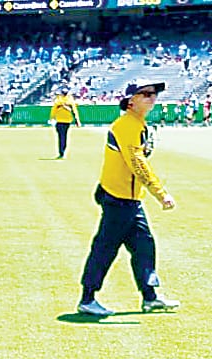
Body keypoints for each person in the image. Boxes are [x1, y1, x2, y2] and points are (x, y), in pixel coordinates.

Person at [75, 82, 178, 319]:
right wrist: (160, 193)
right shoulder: (127, 126)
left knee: (144, 245)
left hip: (130, 199)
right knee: (105, 248)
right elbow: (137, 163)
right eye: (146, 94)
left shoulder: (137, 124)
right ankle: (87, 299)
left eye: (154, 94)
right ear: (131, 100)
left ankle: (150, 297)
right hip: (119, 198)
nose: (153, 98)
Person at [50, 88, 80, 159]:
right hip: (66, 121)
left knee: (61, 137)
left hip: (61, 121)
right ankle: (62, 152)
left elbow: (53, 110)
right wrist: (77, 121)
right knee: (64, 136)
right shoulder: (69, 100)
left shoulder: (58, 100)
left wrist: (52, 118)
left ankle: (61, 152)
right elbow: (74, 111)